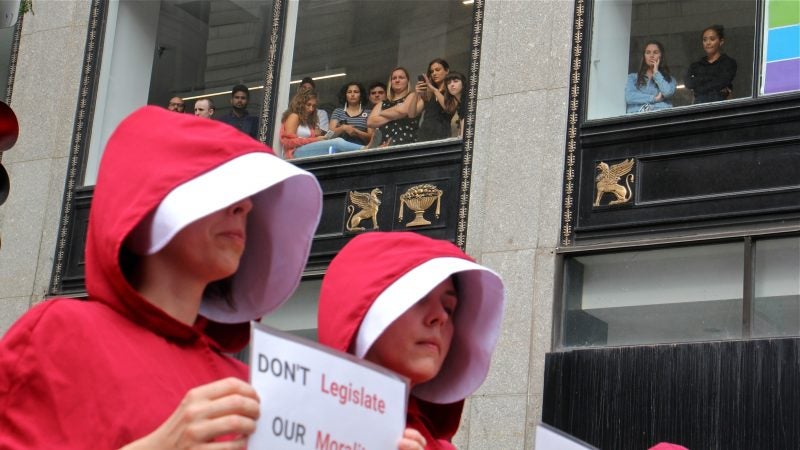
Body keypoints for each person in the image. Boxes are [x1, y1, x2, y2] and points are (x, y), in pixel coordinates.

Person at [0, 106, 324, 448]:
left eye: (249, 194)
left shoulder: (249, 385)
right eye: (220, 187)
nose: (245, 205)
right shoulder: (62, 334)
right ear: (151, 202)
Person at [317, 232, 505, 450]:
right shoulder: (288, 421)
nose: (441, 317)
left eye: (449, 308)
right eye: (419, 297)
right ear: (364, 307)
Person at [280, 87, 376, 159]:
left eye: (313, 106)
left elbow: (308, 140)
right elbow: (288, 142)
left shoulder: (308, 120)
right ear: (300, 103)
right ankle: (366, 148)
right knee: (337, 142)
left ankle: (369, 148)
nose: (311, 109)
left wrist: (317, 137)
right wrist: (315, 139)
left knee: (336, 148)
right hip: (294, 153)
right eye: (308, 105)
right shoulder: (294, 116)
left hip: (305, 151)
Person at [686, 24, 737, 104]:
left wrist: (699, 85)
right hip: (699, 108)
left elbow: (723, 82)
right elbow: (688, 83)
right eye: (704, 40)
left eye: (712, 39)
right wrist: (714, 78)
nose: (708, 43)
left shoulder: (728, 63)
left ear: (721, 42)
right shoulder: (695, 66)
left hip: (721, 108)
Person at [367, 67, 419, 146]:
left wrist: (381, 113)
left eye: (401, 77)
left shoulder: (412, 95)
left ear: (407, 81)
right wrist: (395, 113)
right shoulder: (382, 103)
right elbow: (370, 122)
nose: (397, 80)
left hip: (405, 143)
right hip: (382, 146)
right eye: (394, 78)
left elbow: (403, 111)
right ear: (391, 82)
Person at [624, 41, 676, 114]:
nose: (651, 55)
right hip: (637, 120)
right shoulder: (632, 77)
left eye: (655, 52)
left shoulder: (670, 79)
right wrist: (654, 99)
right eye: (648, 52)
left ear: (661, 56)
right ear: (644, 56)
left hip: (660, 118)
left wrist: (656, 73)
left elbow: (667, 92)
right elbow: (629, 97)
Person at [415, 58, 452, 142]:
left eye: (437, 70)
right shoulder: (430, 94)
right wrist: (416, 94)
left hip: (441, 133)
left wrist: (434, 89)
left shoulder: (450, 89)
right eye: (432, 71)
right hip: (424, 133)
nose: (434, 73)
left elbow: (448, 107)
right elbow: (414, 113)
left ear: (447, 71)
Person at [329, 81, 374, 146]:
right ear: (345, 95)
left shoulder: (369, 113)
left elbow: (371, 138)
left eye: (356, 92)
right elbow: (329, 136)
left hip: (361, 151)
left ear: (361, 95)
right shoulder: (338, 112)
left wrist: (356, 131)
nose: (352, 94)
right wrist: (343, 128)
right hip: (339, 152)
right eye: (349, 92)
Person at [443, 72, 467, 138]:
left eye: (455, 81)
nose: (452, 85)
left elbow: (465, 117)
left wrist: (462, 137)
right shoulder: (459, 103)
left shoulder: (466, 98)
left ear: (463, 84)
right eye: (448, 83)